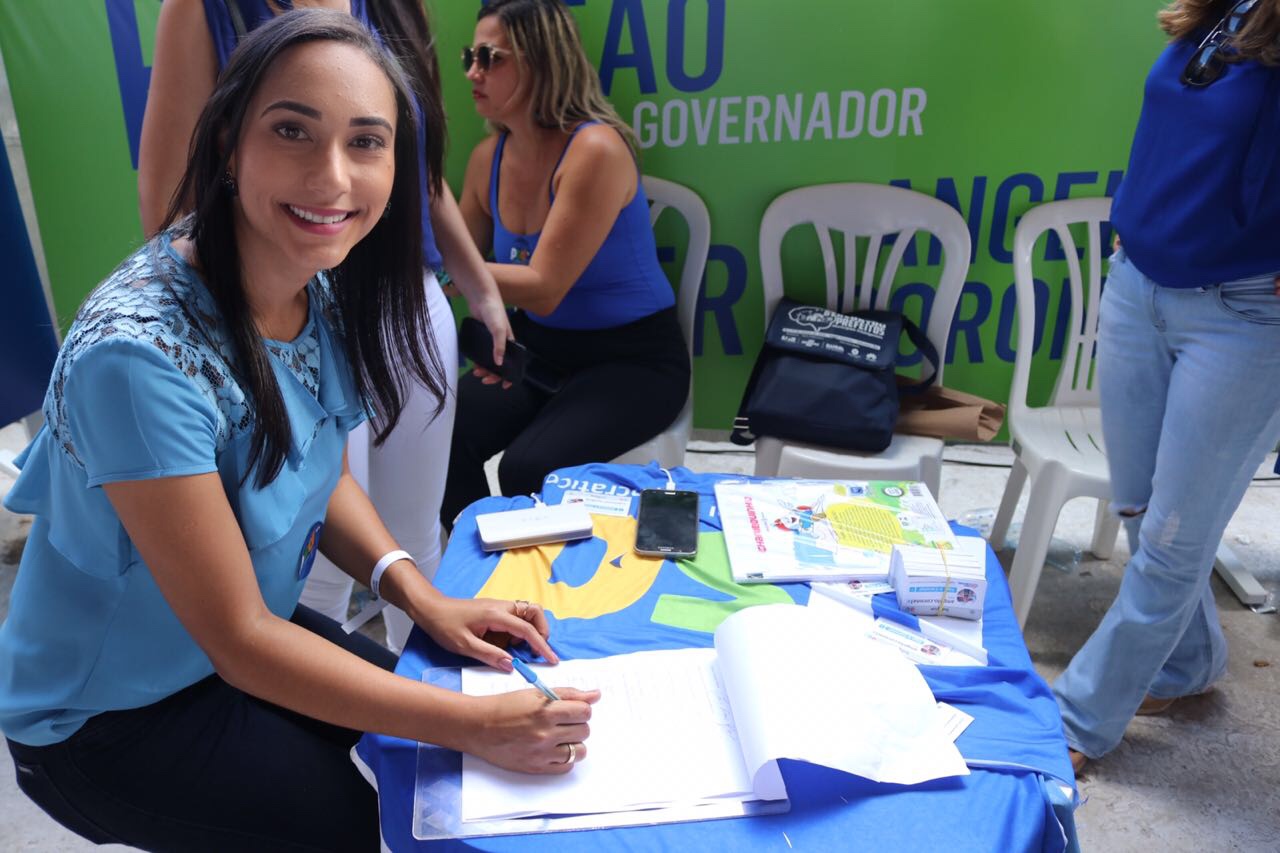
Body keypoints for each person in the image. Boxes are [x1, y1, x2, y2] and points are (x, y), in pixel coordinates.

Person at [0, 13, 598, 850]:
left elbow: (317, 460)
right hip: (106, 714)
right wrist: (475, 727)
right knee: (355, 818)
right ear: (225, 145)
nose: (332, 177)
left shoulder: (313, 279)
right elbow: (243, 641)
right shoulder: (134, 358)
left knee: (428, 734)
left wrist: (419, 594)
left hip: (229, 640)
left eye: (366, 142)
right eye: (292, 131)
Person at [138, 0, 512, 652]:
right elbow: (172, 200)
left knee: (413, 535)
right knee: (315, 563)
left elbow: (415, 166)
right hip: (286, 313)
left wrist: (477, 283)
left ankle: (427, 730)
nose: (335, 170)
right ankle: (345, 738)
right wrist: (258, 317)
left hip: (404, 300)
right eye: (292, 131)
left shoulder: (395, 7)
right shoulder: (202, 10)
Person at [1054, 0, 1280, 773]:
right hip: (1137, 284)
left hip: (1242, 316)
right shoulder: (1223, 10)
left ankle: (1075, 722)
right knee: (1142, 506)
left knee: (1173, 544)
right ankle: (1185, 666)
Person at [440, 0, 690, 526]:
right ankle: (481, 567)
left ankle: (550, 596)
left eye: (490, 57)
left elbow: (543, 286)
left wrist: (447, 275)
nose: (472, 72)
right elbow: (452, 259)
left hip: (633, 361)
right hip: (540, 352)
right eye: (470, 55)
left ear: (541, 62)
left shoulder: (596, 149)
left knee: (530, 467)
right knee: (437, 430)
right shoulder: (489, 159)